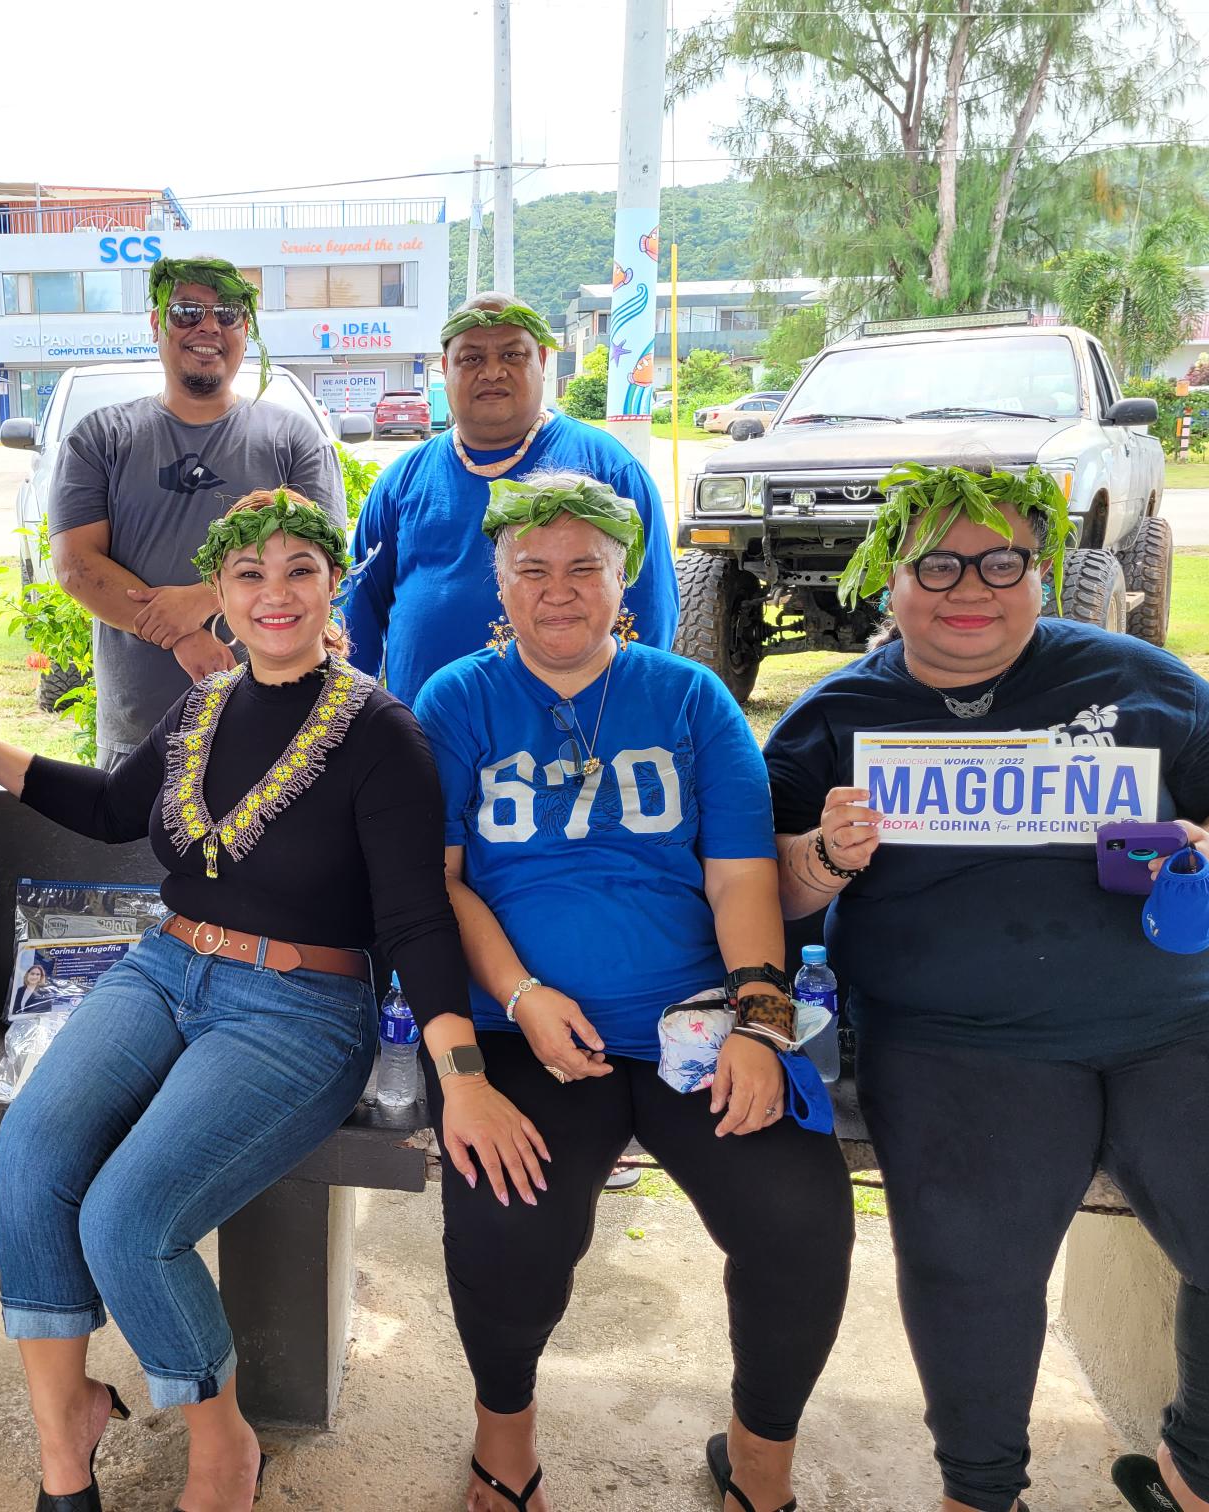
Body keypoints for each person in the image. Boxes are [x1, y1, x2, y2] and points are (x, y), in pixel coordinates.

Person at [0, 489, 490, 1512]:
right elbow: (109, 809)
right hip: (163, 969)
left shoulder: (382, 736)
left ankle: (224, 1448)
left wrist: (463, 1075)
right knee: (32, 1150)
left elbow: (416, 920)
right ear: (219, 599)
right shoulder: (203, 705)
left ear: (335, 587)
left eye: (298, 571)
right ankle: (67, 1440)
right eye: (249, 575)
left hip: (300, 1008)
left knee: (128, 1219)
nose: (273, 594)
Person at [763, 462, 1209, 1512]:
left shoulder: (1138, 678)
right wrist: (827, 857)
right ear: (888, 580)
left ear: (1040, 573)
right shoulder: (836, 714)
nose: (968, 586)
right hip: (957, 1035)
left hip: (1183, 1013)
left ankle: (1207, 1477)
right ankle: (980, 1494)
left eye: (1000, 561)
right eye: (935, 563)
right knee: (972, 1276)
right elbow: (765, 894)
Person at [411, 472, 854, 1512]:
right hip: (521, 1024)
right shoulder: (459, 700)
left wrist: (760, 1021)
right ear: (499, 582)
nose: (558, 591)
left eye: (584, 569)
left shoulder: (691, 699)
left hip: (695, 1019)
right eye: (532, 570)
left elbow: (742, 875)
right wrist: (520, 994)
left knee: (799, 1214)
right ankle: (505, 1444)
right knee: (509, 1215)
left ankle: (757, 1464)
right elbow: (439, 883)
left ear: (627, 580)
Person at [49, 256, 343, 768]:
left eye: (227, 313)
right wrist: (184, 632)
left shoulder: (294, 439)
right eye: (187, 310)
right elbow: (76, 566)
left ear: (244, 331)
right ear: (157, 323)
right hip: (140, 731)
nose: (209, 326)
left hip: (277, 725)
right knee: (134, 849)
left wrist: (206, 598)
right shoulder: (100, 438)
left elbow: (322, 564)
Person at [345, 294, 678, 703]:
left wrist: (621, 713)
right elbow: (357, 616)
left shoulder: (607, 470)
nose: (492, 372)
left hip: (569, 744)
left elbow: (650, 610)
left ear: (541, 359)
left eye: (512, 354)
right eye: (471, 358)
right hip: (426, 741)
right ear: (446, 368)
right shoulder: (400, 482)